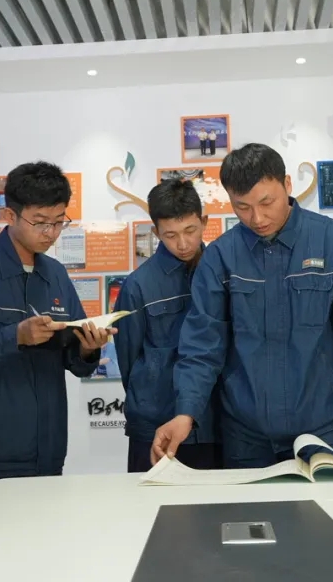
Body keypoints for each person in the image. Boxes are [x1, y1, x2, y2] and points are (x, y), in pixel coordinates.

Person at [151, 143, 333, 468]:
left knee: (325, 502)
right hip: (245, 435)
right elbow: (202, 345)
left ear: (287, 185)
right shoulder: (221, 257)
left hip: (323, 429)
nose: (257, 218)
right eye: (242, 207)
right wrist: (186, 412)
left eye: (267, 202)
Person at [0, 161, 114, 490]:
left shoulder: (56, 274)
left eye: (59, 222)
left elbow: (74, 359)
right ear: (10, 216)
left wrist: (87, 348)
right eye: (40, 222)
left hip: (49, 449)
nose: (51, 233)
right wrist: (15, 336)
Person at [113, 179, 221, 473]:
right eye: (171, 235)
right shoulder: (137, 286)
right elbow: (129, 362)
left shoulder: (221, 272)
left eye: (190, 231)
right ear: (156, 233)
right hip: (155, 427)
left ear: (204, 222)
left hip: (216, 425)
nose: (183, 243)